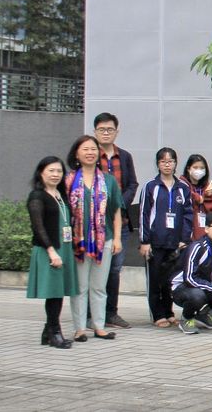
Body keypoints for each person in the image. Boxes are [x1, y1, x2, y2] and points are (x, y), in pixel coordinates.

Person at [66, 135, 124, 342]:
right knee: (80, 287)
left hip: (104, 239)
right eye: (85, 149)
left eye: (93, 149)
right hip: (78, 241)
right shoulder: (69, 180)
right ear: (76, 153)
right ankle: (79, 328)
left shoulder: (108, 180)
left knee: (99, 286)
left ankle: (99, 326)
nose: (90, 153)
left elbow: (116, 211)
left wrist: (117, 238)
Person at [137, 148, 193, 328]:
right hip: (155, 241)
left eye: (170, 161)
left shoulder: (183, 188)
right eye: (163, 161)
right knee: (154, 279)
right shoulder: (151, 186)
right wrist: (144, 241)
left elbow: (188, 215)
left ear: (176, 163)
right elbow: (144, 215)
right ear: (158, 164)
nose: (167, 165)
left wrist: (184, 238)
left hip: (175, 242)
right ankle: (157, 314)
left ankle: (169, 312)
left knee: (170, 280)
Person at [26, 156, 78, 349]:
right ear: (41, 172)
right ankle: (55, 332)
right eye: (51, 171)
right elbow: (38, 227)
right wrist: (51, 251)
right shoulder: (37, 196)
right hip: (50, 250)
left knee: (59, 293)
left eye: (59, 171)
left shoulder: (61, 195)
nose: (56, 174)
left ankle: (48, 332)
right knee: (54, 293)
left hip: (64, 247)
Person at [92, 113, 138, 330]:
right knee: (94, 268)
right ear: (95, 132)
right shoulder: (91, 154)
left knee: (114, 269)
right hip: (95, 223)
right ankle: (92, 314)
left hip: (121, 222)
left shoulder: (125, 156)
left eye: (110, 129)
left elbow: (132, 184)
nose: (106, 133)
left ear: (116, 131)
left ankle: (111, 312)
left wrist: (118, 204)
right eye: (102, 129)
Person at [181, 155, 212, 242]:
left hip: (205, 234)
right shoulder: (181, 186)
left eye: (202, 168)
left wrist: (208, 196)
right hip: (186, 235)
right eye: (195, 167)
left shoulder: (208, 187)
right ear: (188, 168)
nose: (198, 170)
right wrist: (197, 198)